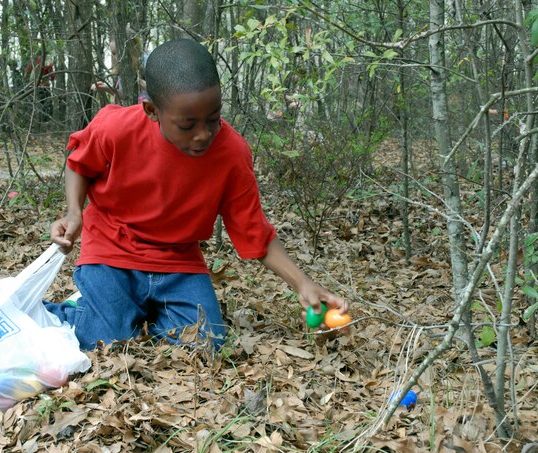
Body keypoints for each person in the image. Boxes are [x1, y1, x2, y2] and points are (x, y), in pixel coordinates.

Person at [46, 39, 347, 351]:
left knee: (207, 342)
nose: (203, 134)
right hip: (112, 249)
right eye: (187, 125)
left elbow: (255, 233)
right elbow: (78, 162)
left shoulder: (231, 154)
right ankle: (76, 311)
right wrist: (74, 211)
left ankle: (129, 308)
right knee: (101, 340)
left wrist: (303, 284)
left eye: (213, 118)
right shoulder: (116, 128)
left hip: (178, 261)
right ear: (152, 111)